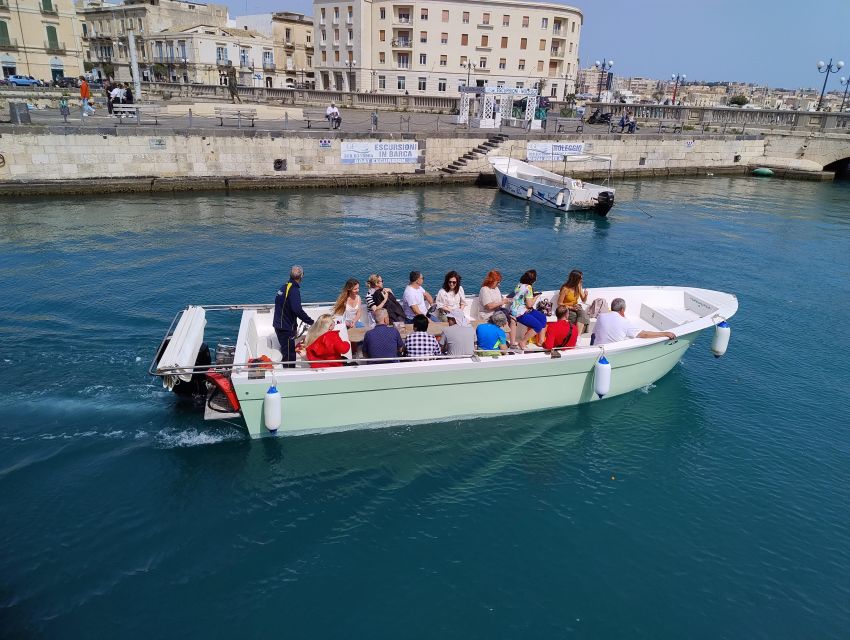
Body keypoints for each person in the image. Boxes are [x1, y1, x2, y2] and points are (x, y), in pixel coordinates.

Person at [273, 265, 314, 366]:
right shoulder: (294, 291)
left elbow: (285, 307)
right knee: (289, 356)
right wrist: (311, 322)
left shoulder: (284, 287)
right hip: (286, 329)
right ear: (302, 276)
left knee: (286, 352)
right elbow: (297, 310)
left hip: (279, 325)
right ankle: (288, 374)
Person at [592, 298, 676, 345]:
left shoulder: (601, 316)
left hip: (596, 348)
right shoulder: (624, 322)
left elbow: (594, 334)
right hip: (612, 352)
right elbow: (645, 334)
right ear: (622, 310)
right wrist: (665, 333)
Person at [511, 269, 547, 349]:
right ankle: (522, 342)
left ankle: (541, 340)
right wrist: (536, 297)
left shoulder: (519, 284)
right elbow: (530, 305)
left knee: (542, 317)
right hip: (520, 313)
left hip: (516, 309)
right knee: (538, 326)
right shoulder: (529, 288)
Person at [478, 269, 516, 344]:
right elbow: (489, 306)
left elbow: (499, 300)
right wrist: (502, 302)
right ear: (491, 281)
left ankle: (512, 343)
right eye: (498, 282)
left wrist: (506, 300)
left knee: (513, 320)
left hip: (498, 311)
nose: (499, 284)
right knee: (502, 321)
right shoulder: (484, 290)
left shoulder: (496, 289)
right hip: (488, 314)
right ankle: (502, 343)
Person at [557, 269, 590, 335]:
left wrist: (586, 295)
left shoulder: (578, 286)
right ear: (575, 279)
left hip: (576, 306)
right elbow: (559, 303)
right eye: (580, 279)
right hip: (567, 308)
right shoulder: (565, 289)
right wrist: (571, 308)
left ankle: (577, 335)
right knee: (574, 317)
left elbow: (583, 300)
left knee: (584, 315)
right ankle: (576, 335)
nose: (581, 280)